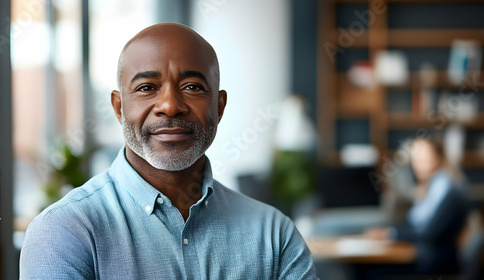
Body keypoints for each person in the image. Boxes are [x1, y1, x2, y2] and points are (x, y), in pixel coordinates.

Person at [19, 23, 317, 279]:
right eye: (147, 88)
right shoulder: (64, 232)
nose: (171, 106)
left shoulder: (274, 236)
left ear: (219, 106)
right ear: (119, 108)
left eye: (193, 87)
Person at [364, 138, 469, 275]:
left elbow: (428, 232)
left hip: (435, 263)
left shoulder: (449, 190)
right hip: (421, 255)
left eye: (424, 158)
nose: (418, 164)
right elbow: (411, 223)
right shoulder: (430, 188)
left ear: (438, 157)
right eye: (416, 159)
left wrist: (389, 234)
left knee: (372, 273)